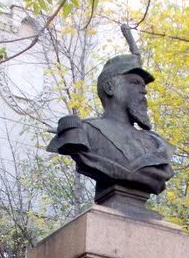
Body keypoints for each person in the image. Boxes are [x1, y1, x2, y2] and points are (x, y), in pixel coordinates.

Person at [47, 54, 174, 198]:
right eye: (135, 83)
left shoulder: (156, 143)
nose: (144, 91)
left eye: (143, 86)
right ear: (109, 88)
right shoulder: (84, 131)